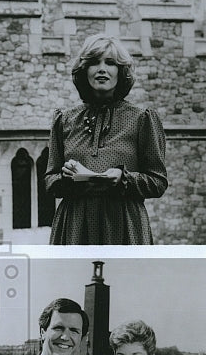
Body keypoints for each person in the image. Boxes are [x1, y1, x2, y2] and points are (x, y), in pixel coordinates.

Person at [44, 34, 168, 245]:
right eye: (94, 62)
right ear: (84, 71)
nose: (102, 69)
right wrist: (66, 178)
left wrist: (124, 177)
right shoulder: (64, 120)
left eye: (110, 63)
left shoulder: (141, 119)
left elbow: (157, 182)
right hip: (75, 225)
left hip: (124, 224)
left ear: (121, 71)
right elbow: (50, 181)